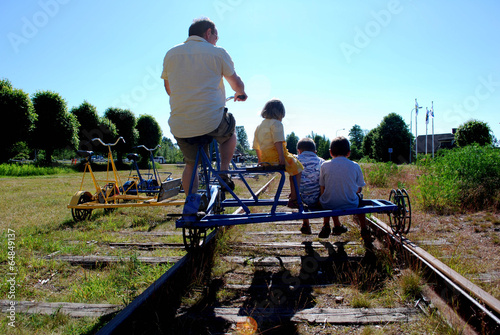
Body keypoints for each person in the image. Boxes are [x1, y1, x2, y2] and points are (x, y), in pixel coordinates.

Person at [161, 18, 247, 194]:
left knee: (191, 165)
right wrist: (240, 93)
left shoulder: (171, 54)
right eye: (216, 36)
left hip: (180, 124)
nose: (217, 40)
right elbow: (236, 83)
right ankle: (223, 171)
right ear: (209, 33)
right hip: (212, 121)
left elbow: (168, 88)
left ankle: (190, 205)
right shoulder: (217, 53)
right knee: (230, 132)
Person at [253, 99, 303, 208]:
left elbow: (256, 145)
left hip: (266, 159)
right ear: (280, 112)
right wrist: (281, 156)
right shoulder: (277, 123)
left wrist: (260, 159)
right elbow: (278, 141)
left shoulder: (259, 126)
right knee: (298, 169)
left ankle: (293, 194)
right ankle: (294, 198)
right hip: (276, 156)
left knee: (293, 169)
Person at [318, 136, 369, 241]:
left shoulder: (324, 165)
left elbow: (322, 187)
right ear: (349, 153)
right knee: (360, 199)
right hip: (351, 204)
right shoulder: (355, 166)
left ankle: (326, 225)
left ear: (330, 152)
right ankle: (364, 228)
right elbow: (359, 188)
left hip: (328, 203)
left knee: (329, 196)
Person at [296, 138, 324, 234]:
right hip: (319, 198)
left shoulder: (296, 159)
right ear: (315, 152)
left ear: (299, 151)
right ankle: (326, 224)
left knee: (297, 190)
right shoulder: (321, 161)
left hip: (301, 199)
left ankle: (306, 224)